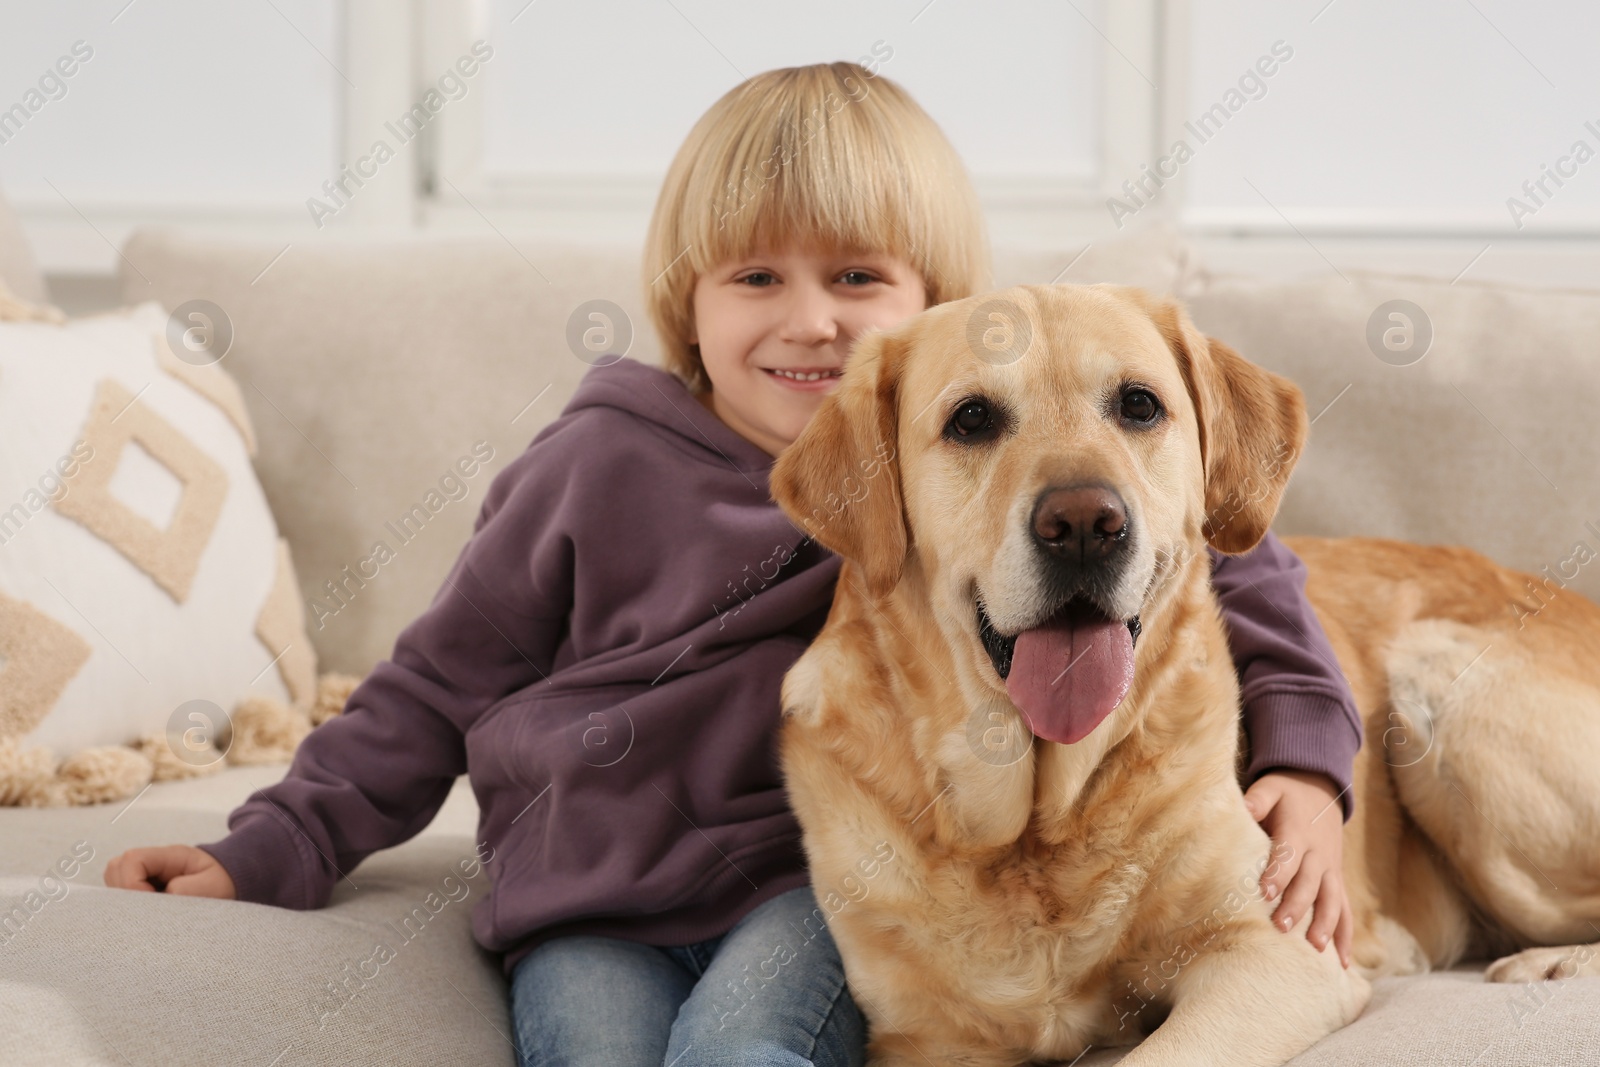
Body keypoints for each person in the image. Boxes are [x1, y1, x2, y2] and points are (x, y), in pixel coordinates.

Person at [104, 61, 1362, 1066]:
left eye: (858, 275)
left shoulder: (933, 477)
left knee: (742, 1047)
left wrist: (1310, 759)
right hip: (584, 894)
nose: (808, 316)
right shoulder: (604, 463)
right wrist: (273, 843)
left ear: (931, 302)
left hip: (801, 884)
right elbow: (437, 680)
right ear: (684, 298)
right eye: (756, 274)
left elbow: (1214, 548)